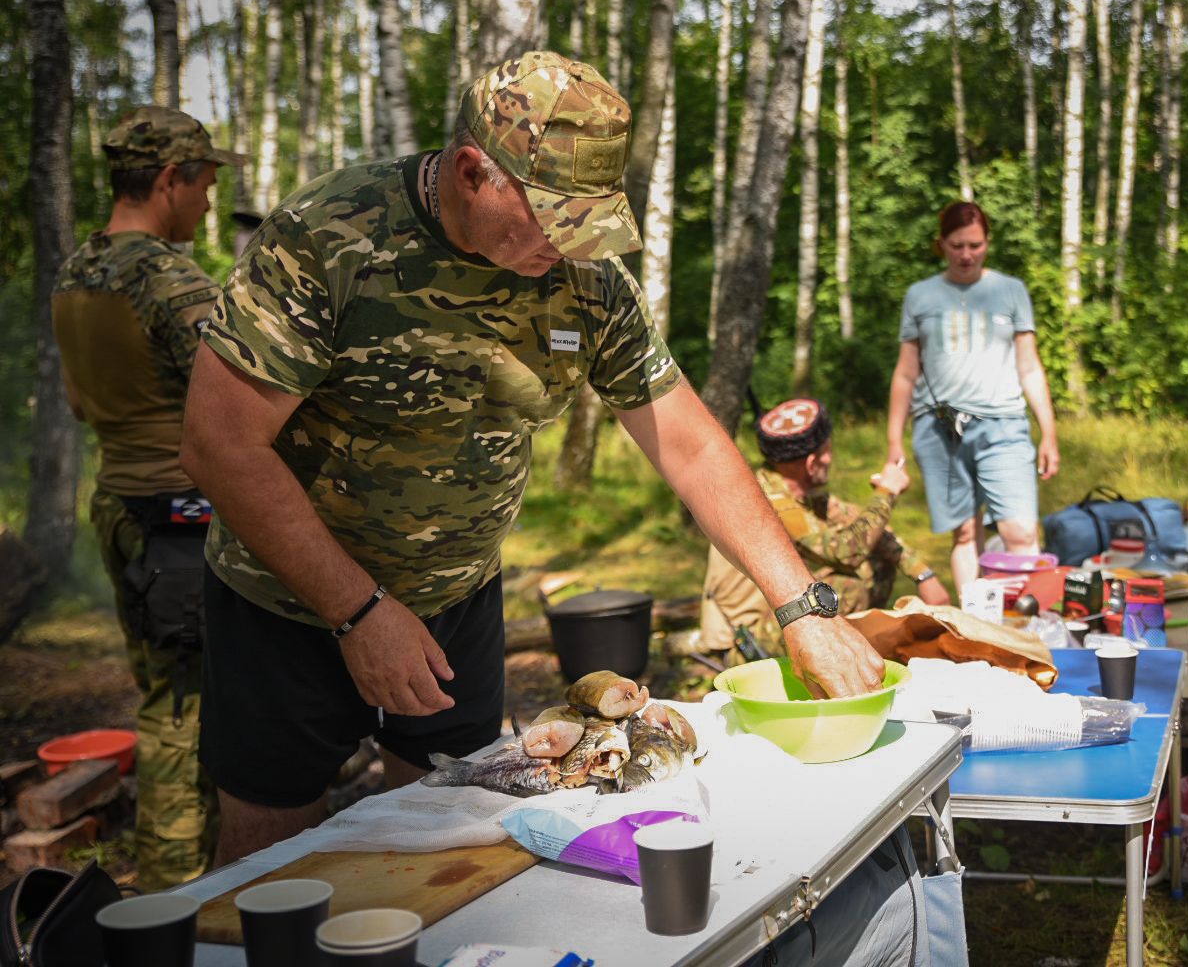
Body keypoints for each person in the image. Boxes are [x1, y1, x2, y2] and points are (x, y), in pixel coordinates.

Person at [179, 52, 884, 865]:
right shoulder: (330, 237)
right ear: (475, 171)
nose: (572, 244)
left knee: (447, 843)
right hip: (287, 609)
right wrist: (359, 611)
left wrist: (802, 607)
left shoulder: (584, 278)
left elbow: (687, 441)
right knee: (269, 869)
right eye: (555, 218)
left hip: (458, 600)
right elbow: (220, 444)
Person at [51, 106, 246, 889]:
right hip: (181, 520)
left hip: (120, 507)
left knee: (163, 690)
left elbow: (74, 402)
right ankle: (179, 895)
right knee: (184, 712)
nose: (207, 202)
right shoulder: (169, 279)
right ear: (169, 179)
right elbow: (243, 395)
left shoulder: (76, 272)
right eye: (203, 183)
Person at [688, 397, 951, 662]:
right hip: (749, 635)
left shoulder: (794, 490)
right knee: (850, 581)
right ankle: (842, 658)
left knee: (873, 560)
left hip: (777, 610)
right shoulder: (771, 503)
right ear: (813, 463)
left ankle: (855, 651)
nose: (831, 458)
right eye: (828, 451)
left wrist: (923, 574)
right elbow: (846, 552)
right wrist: (886, 493)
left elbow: (861, 525)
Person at [886, 200, 1060, 594]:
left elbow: (1030, 366)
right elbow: (906, 371)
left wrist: (1048, 433)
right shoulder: (920, 296)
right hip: (939, 429)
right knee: (965, 533)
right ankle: (976, 628)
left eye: (975, 245)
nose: (967, 255)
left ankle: (1024, 627)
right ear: (941, 244)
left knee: (1019, 530)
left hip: (1004, 424)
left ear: (987, 243)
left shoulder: (1011, 291)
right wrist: (894, 439)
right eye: (957, 245)